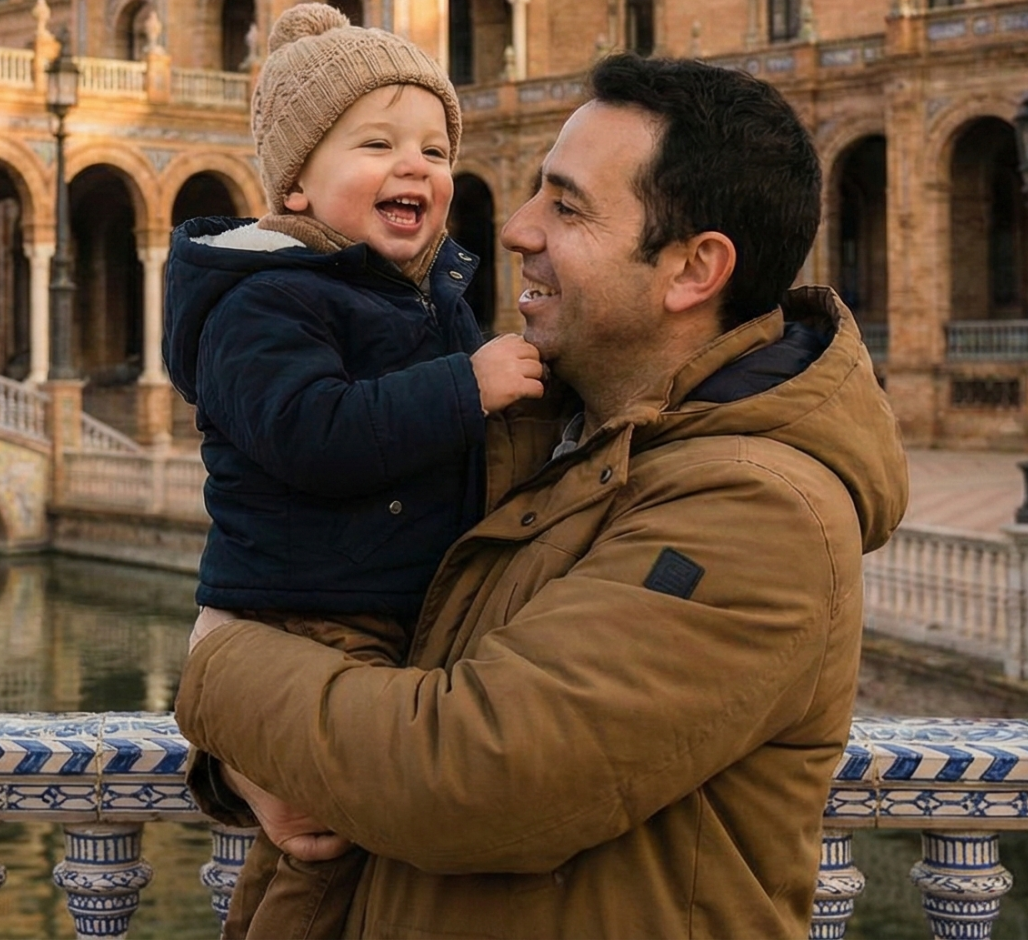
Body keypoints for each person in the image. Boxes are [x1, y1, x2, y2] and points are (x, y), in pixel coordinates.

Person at [177, 54, 910, 939]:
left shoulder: (757, 514)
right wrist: (245, 762)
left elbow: (470, 779)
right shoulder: (539, 429)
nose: (517, 229)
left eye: (565, 206)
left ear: (692, 270)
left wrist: (217, 665)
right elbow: (343, 625)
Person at [164, 2, 546, 937]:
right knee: (323, 850)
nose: (415, 164)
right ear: (294, 186)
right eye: (377, 144)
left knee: (332, 843)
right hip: (309, 616)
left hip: (386, 609)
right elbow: (311, 431)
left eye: (434, 148)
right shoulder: (266, 301)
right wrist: (468, 386)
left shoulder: (423, 293)